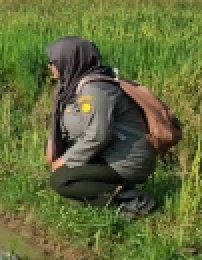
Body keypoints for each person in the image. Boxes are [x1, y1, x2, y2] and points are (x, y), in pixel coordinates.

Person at [45, 37, 158, 218]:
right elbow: (68, 123)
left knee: (61, 181)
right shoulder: (72, 86)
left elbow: (98, 135)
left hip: (127, 160)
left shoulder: (96, 89)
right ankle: (113, 191)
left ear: (69, 60)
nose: (50, 65)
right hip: (107, 154)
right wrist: (54, 145)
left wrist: (66, 159)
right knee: (65, 176)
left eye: (53, 61)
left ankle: (130, 200)